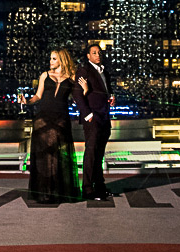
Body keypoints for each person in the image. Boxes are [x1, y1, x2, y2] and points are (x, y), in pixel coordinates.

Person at [19, 49, 79, 203]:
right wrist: (27, 101)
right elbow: (38, 96)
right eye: (50, 58)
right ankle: (44, 192)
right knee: (44, 156)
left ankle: (59, 192)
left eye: (54, 58)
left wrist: (85, 90)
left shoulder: (72, 77)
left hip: (61, 119)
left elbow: (80, 97)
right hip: (43, 118)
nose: (51, 61)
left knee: (59, 156)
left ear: (62, 60)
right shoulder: (45, 75)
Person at [73, 44, 115, 201]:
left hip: (104, 116)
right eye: (94, 53)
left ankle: (100, 187)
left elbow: (107, 91)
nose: (98, 55)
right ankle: (88, 189)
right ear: (88, 56)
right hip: (93, 117)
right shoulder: (84, 70)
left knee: (99, 154)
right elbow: (77, 94)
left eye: (99, 52)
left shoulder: (104, 71)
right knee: (91, 153)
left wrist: (112, 97)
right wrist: (87, 114)